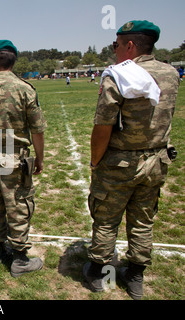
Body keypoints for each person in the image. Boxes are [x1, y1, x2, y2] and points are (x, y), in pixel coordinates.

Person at [83, 20, 180, 300]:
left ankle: (100, 272)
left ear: (129, 45)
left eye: (115, 45)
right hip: (156, 161)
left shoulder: (118, 75)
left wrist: (95, 161)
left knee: (106, 218)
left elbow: (103, 127)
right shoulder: (171, 73)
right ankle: (135, 276)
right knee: (143, 220)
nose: (113, 51)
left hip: (119, 164)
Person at [0, 40, 47, 278]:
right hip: (14, 157)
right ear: (13, 61)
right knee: (18, 204)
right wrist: (40, 158)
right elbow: (37, 130)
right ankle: (20, 259)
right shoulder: (25, 89)